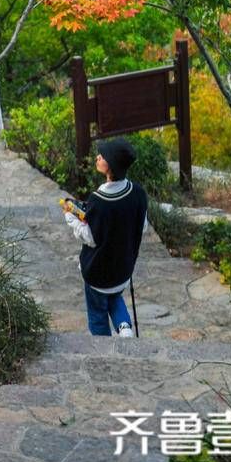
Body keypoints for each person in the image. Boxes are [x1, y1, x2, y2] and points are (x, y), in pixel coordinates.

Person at [63, 138, 147, 338]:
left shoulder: (99, 201)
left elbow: (90, 238)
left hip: (98, 274)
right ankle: (124, 327)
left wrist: (69, 216)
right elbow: (141, 226)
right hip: (123, 269)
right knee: (114, 296)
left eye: (103, 156)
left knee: (98, 314)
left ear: (111, 167)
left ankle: (104, 349)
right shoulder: (138, 193)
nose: (98, 157)